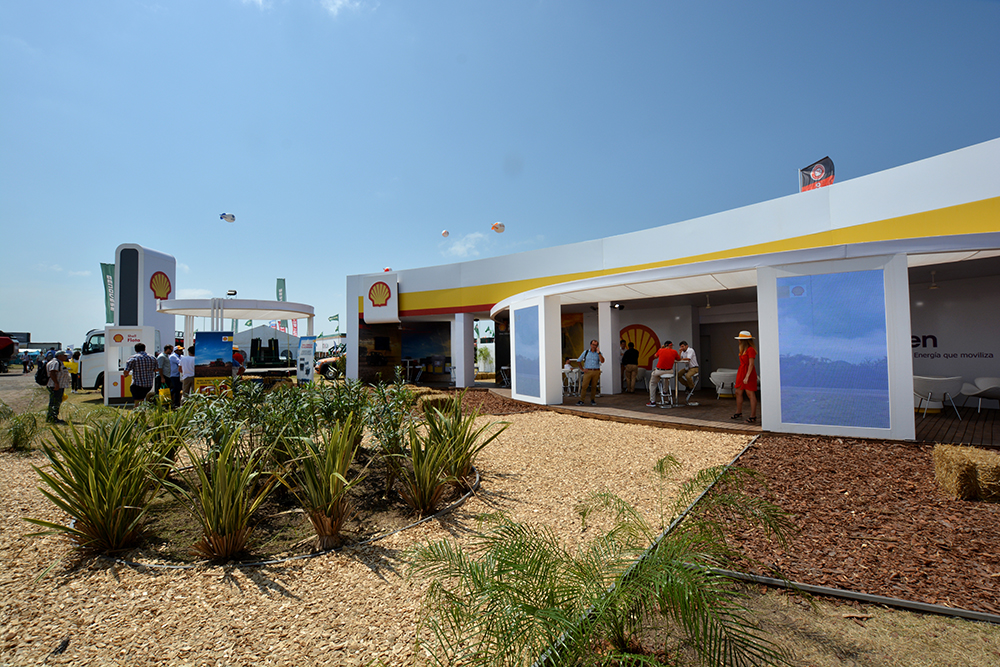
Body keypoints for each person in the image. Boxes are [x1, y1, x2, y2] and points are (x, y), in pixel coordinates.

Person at [732, 331, 759, 424]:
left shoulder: (750, 349)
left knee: (750, 394)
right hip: (741, 371)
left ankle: (753, 416)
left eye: (740, 339)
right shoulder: (742, 349)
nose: (739, 341)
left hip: (748, 372)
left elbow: (751, 364)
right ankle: (738, 412)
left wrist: (747, 376)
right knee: (738, 392)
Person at [123, 342, 158, 408]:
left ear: (135, 350)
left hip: (137, 384)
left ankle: (138, 413)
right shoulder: (152, 358)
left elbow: (126, 371)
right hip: (148, 384)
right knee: (142, 400)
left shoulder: (133, 358)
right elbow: (156, 369)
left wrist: (125, 375)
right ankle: (142, 412)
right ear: (144, 349)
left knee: (137, 402)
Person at [647, 340, 682, 407]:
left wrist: (661, 348)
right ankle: (665, 390)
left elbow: (655, 356)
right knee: (666, 378)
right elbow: (679, 359)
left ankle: (652, 401)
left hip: (660, 370)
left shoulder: (660, 350)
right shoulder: (674, 351)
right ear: (670, 345)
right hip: (669, 371)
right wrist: (680, 352)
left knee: (653, 384)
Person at [576, 339, 604, 406]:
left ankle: (592, 400)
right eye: (593, 345)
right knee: (584, 386)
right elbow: (578, 360)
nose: (594, 346)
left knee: (594, 386)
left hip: (596, 371)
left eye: (596, 345)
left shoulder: (599, 353)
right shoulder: (586, 352)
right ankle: (581, 400)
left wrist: (599, 353)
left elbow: (602, 361)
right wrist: (582, 369)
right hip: (588, 371)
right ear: (591, 345)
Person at [45, 350, 71, 424]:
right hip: (55, 386)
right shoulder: (56, 363)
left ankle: (52, 417)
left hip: (58, 385)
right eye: (64, 355)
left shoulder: (58, 362)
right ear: (59, 356)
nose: (66, 357)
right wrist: (56, 383)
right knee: (55, 402)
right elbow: (52, 373)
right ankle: (53, 418)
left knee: (56, 401)